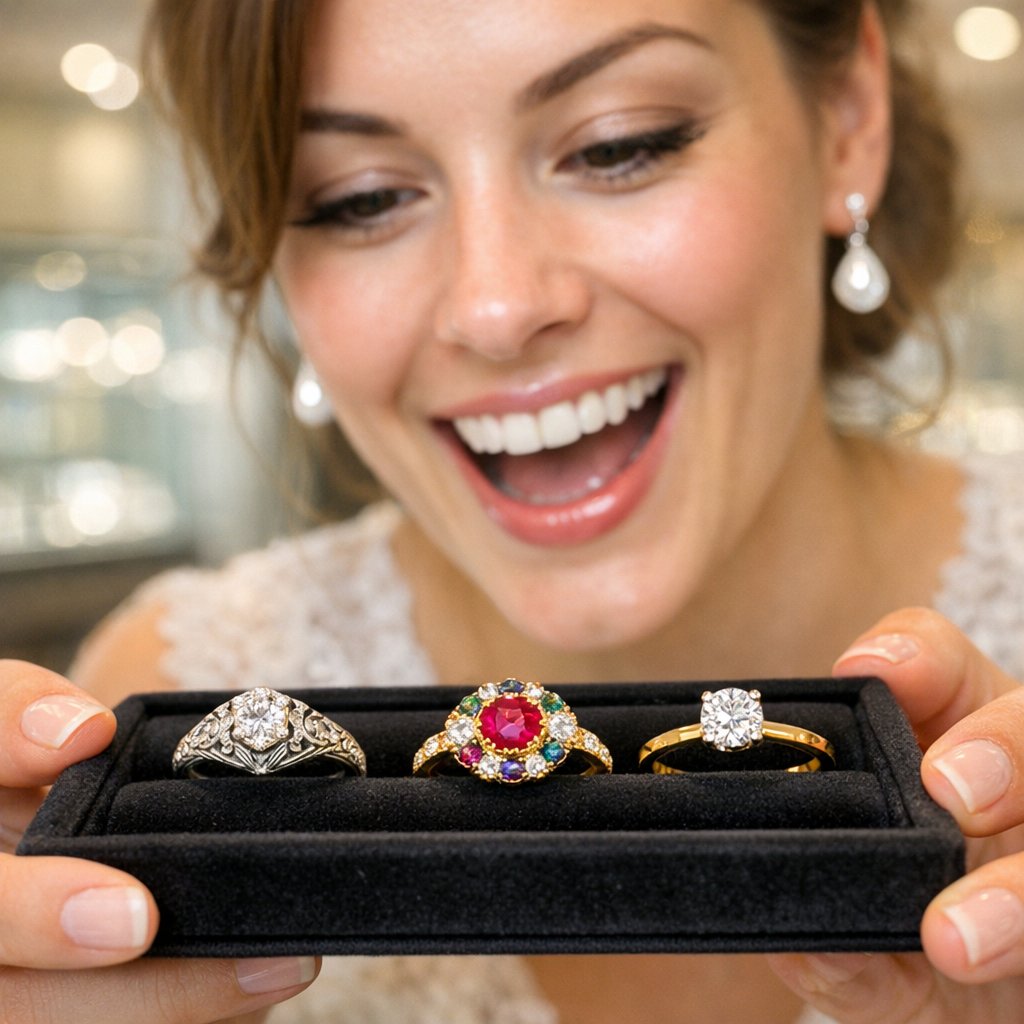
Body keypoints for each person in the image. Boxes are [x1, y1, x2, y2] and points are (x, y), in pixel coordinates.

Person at [2, 0, 1022, 1021]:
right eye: (357, 200)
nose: (495, 307)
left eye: (620, 145)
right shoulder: (168, 683)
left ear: (845, 117)